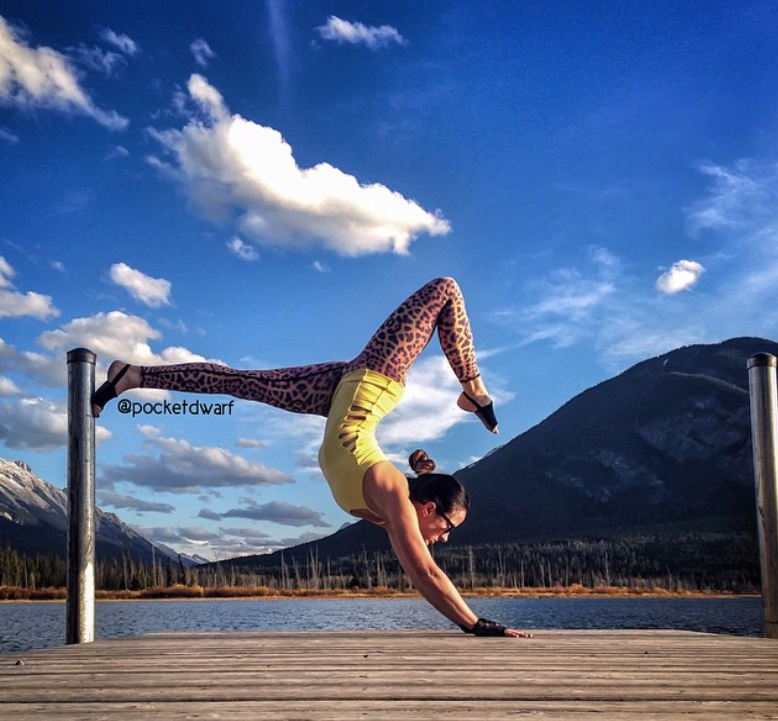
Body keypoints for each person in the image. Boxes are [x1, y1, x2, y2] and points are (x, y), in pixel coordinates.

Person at [92, 276, 532, 638]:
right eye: (448, 527)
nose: (445, 537)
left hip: (339, 389)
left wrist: (424, 469)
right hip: (375, 377)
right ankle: (474, 392)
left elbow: (417, 552)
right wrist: (476, 624)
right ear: (430, 508)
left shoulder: (388, 507)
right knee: (445, 289)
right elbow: (425, 573)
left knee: (239, 382)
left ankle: (133, 375)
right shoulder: (393, 493)